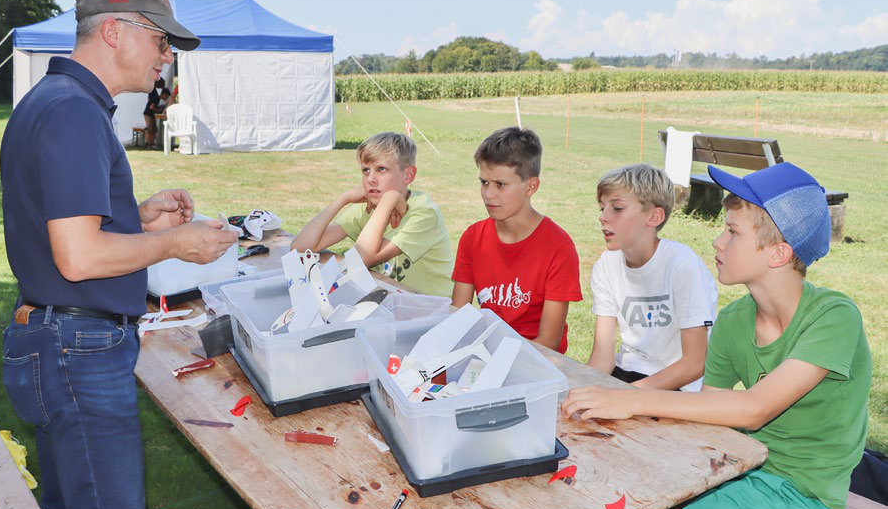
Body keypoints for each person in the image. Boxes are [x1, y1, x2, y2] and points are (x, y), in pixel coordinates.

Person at [0, 0, 239, 509]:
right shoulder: (76, 113)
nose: (166, 59)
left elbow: (58, 222)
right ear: (114, 30)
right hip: (76, 349)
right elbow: (78, 257)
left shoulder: (50, 102)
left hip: (49, 338)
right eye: (162, 42)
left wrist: (138, 217)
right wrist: (175, 242)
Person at [562, 163, 871, 509]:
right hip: (738, 468)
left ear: (779, 253)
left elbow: (752, 409)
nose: (717, 241)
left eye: (733, 232)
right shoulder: (734, 319)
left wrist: (633, 400)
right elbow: (709, 413)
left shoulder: (834, 317)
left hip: (800, 494)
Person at [451, 127, 582, 353]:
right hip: (483, 353)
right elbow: (457, 314)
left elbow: (549, 342)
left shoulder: (558, 247)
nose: (488, 194)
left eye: (500, 185)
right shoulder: (472, 238)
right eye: (484, 183)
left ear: (531, 186)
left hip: (537, 361)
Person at [588, 164, 717, 391]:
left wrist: (630, 397)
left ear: (655, 216)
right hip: (627, 375)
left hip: (678, 386)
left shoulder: (683, 266)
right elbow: (602, 358)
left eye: (616, 208)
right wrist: (580, 390)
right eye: (602, 208)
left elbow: (696, 363)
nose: (603, 217)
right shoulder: (606, 265)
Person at [291, 132, 454, 296]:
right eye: (366, 170)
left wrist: (390, 199)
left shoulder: (424, 212)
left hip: (432, 309)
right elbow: (299, 248)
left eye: (381, 169)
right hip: (389, 299)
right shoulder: (367, 207)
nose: (371, 179)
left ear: (408, 175)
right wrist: (342, 199)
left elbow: (360, 259)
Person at [143, 76, 165, 148]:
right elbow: (152, 107)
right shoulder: (154, 93)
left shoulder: (152, 90)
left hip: (149, 113)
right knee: (150, 129)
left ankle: (151, 143)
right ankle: (148, 143)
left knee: (154, 129)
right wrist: (158, 109)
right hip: (148, 113)